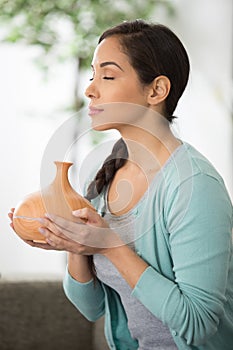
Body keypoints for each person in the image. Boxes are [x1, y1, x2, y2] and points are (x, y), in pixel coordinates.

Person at [9, 20, 233, 349]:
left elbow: (198, 325)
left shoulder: (194, 185)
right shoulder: (104, 175)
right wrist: (75, 246)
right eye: (92, 75)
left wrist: (109, 245)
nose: (90, 89)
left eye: (108, 76)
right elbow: (92, 307)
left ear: (156, 90)